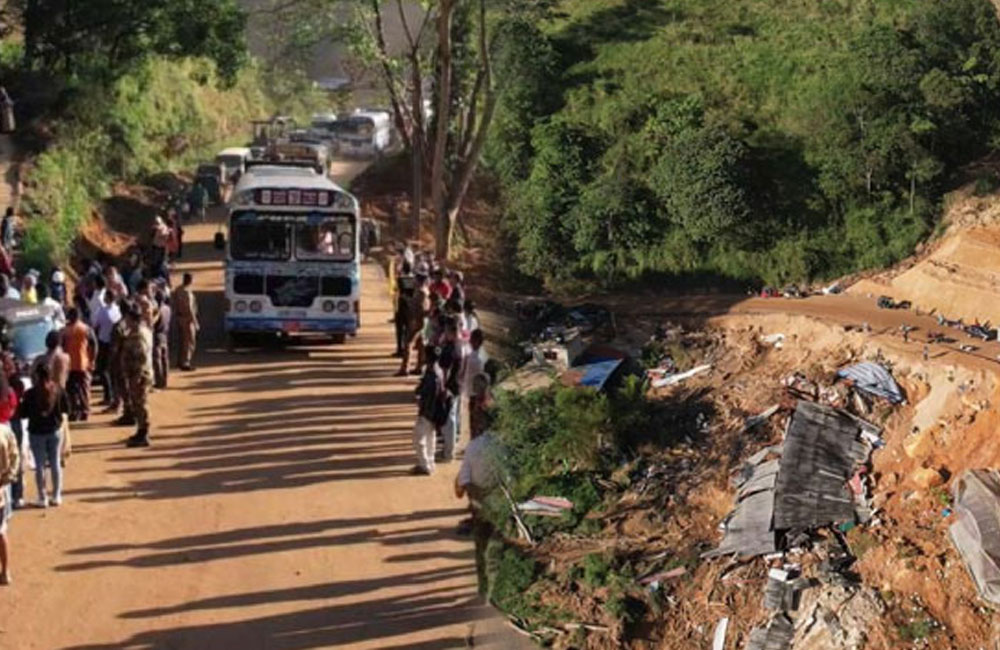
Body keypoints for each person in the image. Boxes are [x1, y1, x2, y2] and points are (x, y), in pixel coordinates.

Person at [454, 387, 498, 594]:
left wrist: (465, 493)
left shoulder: (474, 447)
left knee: (482, 544)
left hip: (480, 501)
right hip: (500, 501)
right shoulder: (505, 447)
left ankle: (484, 584)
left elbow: (463, 479)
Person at [18, 363, 69, 507]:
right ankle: (57, 495)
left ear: (36, 375)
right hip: (54, 431)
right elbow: (67, 409)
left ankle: (42, 497)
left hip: (36, 432)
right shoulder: (58, 390)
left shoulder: (30, 393)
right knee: (55, 463)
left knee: (39, 465)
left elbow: (23, 413)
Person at [122, 305, 153, 447]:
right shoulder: (143, 331)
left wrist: (135, 375)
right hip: (138, 374)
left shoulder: (138, 336)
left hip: (139, 375)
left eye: (128, 319)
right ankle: (141, 430)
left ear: (134, 320)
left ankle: (144, 433)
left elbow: (141, 358)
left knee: (141, 403)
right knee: (138, 403)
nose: (126, 321)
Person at [412, 346, 445, 476]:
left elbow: (426, 393)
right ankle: (430, 463)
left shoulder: (432, 375)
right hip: (434, 412)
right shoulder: (438, 371)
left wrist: (419, 396)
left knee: (418, 438)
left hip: (427, 411)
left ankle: (424, 465)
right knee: (431, 437)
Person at [62, 308, 97, 422]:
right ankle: (85, 410)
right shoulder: (86, 329)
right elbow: (94, 345)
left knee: (71, 390)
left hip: (69, 365)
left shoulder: (64, 331)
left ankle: (74, 412)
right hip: (83, 363)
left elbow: (61, 347)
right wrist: (92, 360)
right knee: (84, 388)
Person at [438, 319, 464, 461]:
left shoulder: (450, 349)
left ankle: (448, 452)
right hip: (458, 384)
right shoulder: (461, 345)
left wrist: (443, 388)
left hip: (450, 386)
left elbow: (445, 371)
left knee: (449, 419)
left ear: (451, 331)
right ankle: (450, 449)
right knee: (454, 417)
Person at [93, 290, 121, 405]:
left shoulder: (102, 311)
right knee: (114, 369)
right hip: (115, 342)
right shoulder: (118, 310)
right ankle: (114, 396)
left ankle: (108, 396)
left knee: (103, 369)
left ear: (108, 298)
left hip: (103, 341)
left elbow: (95, 324)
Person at [0, 418, 18, 585]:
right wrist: (7, 478)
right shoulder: (5, 431)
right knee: (1, 532)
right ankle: (5, 572)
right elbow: (14, 456)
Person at [173, 273, 198, 371]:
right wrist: (195, 321)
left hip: (179, 318)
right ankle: (186, 362)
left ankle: (180, 361)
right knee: (189, 341)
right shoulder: (187, 292)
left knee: (182, 340)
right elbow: (190, 308)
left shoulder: (178, 290)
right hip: (187, 319)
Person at [393, 261, 415, 358]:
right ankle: (406, 349)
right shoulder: (414, 280)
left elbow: (397, 290)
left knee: (400, 330)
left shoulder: (400, 279)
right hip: (411, 308)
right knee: (408, 330)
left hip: (402, 306)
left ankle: (399, 349)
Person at [152, 290, 171, 389]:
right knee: (165, 359)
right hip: (165, 334)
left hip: (157, 335)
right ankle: (165, 379)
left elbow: (153, 323)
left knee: (157, 360)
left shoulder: (157, 310)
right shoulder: (168, 308)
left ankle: (159, 381)